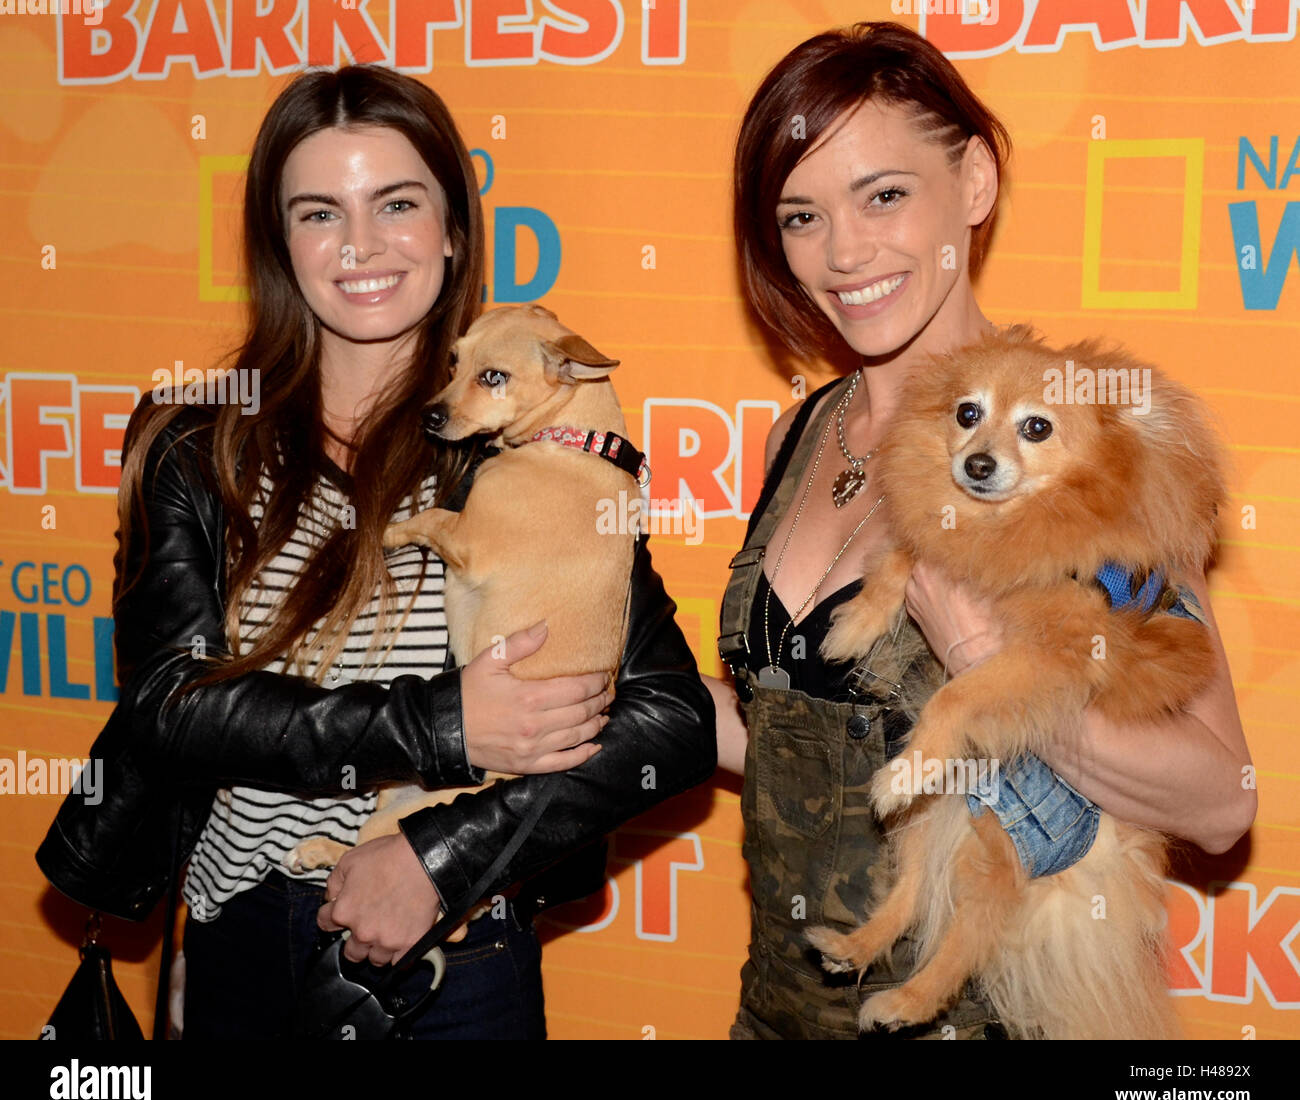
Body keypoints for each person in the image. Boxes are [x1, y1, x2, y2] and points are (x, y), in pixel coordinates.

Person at [36, 64, 716, 1040]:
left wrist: (439, 854)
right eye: (319, 212)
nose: (359, 245)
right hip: (246, 934)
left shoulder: (530, 439)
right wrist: (441, 724)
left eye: (395, 203)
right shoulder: (199, 440)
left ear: (452, 229)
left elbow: (667, 720)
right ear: (279, 240)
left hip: (457, 940)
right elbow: (167, 705)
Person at [706, 21, 1254, 1040]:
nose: (843, 252)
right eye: (800, 215)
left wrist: (974, 655)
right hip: (780, 1013)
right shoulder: (799, 432)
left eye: (883, 195)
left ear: (973, 185)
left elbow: (1222, 797)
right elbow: (806, 735)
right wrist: (617, 705)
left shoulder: (1089, 438)